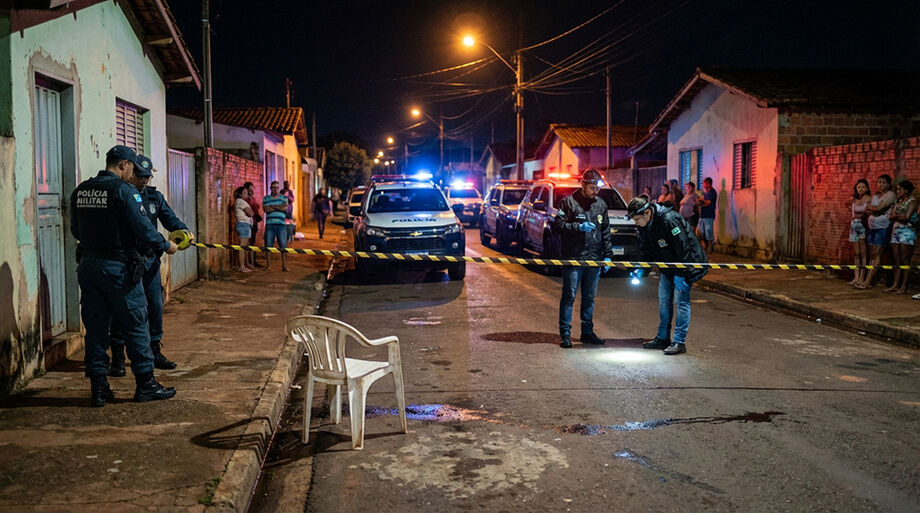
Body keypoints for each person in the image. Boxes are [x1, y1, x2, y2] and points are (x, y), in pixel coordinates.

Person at [70, 145, 178, 406]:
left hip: (88, 264)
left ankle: (99, 388)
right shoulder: (124, 191)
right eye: (132, 168)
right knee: (136, 322)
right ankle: (146, 384)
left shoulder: (81, 190)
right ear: (123, 165)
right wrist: (166, 245)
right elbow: (144, 230)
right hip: (118, 268)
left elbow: (75, 230)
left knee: (95, 328)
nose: (134, 174)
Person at [108, 155, 192, 377]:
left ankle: (155, 351)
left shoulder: (154, 197)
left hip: (149, 262)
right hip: (126, 263)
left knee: (154, 307)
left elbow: (170, 219)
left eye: (147, 176)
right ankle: (117, 356)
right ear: (131, 172)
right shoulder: (122, 195)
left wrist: (184, 233)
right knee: (121, 310)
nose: (144, 180)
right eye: (140, 175)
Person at [626, 195, 708, 356]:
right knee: (664, 301)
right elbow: (647, 251)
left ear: (647, 213)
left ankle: (679, 341)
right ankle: (662, 338)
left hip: (684, 265)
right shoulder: (645, 226)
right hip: (667, 266)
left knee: (681, 302)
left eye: (636, 219)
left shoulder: (669, 219)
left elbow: (683, 247)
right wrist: (641, 270)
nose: (635, 223)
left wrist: (682, 274)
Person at [552, 169, 613, 348]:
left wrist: (607, 256)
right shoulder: (568, 203)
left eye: (597, 188)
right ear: (583, 185)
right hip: (574, 258)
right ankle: (565, 334)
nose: (596, 192)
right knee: (569, 296)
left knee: (589, 297)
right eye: (592, 188)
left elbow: (606, 231)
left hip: (594, 259)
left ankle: (587, 332)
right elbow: (558, 225)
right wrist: (578, 227)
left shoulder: (601, 204)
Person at [856, 174, 897, 289]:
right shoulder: (876, 196)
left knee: (878, 253)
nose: (880, 184)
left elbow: (879, 208)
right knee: (872, 254)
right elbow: (868, 209)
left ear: (888, 184)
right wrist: (874, 210)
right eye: (879, 182)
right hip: (873, 227)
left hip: (883, 227)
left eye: (883, 182)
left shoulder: (890, 195)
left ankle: (868, 281)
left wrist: (875, 210)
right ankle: (870, 279)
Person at [885, 179, 916, 294]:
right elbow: (891, 216)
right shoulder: (898, 201)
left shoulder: (912, 202)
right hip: (896, 231)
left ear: (906, 190)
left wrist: (896, 216)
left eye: (900, 189)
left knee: (905, 259)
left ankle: (904, 286)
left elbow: (906, 217)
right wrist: (898, 216)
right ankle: (895, 284)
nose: (898, 191)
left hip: (907, 231)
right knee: (896, 259)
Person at [848, 179, 871, 286]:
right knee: (856, 252)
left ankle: (862, 277)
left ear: (867, 188)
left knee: (863, 252)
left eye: (863, 187)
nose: (861, 189)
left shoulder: (869, 199)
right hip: (854, 225)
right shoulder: (854, 199)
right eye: (859, 187)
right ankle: (856, 277)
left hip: (862, 225)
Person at [263, 180, 290, 271]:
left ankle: (284, 266)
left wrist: (272, 206)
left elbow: (284, 208)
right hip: (270, 225)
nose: (275, 189)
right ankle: (268, 266)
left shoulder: (283, 198)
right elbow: (266, 209)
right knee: (268, 245)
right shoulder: (266, 198)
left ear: (279, 188)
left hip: (281, 225)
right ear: (270, 188)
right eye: (273, 187)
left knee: (283, 245)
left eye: (277, 187)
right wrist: (278, 207)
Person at [234, 186, 254, 272]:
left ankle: (246, 263)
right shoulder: (240, 201)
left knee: (245, 246)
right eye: (245, 193)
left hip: (246, 225)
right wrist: (251, 211)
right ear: (240, 194)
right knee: (242, 246)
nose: (247, 194)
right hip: (243, 225)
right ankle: (242, 266)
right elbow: (250, 213)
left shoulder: (241, 202)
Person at [243, 182, 262, 268]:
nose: (251, 191)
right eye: (250, 190)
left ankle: (253, 260)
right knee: (247, 242)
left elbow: (257, 207)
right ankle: (247, 261)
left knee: (252, 242)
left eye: (252, 189)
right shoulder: (245, 199)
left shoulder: (252, 198)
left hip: (254, 222)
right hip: (248, 223)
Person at [698, 177, 717, 252]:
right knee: (701, 233)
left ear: (708, 183)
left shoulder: (712, 192)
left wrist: (702, 201)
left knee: (709, 232)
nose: (703, 185)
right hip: (703, 215)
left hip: (709, 215)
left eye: (704, 183)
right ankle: (705, 247)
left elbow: (708, 203)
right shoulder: (706, 193)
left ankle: (709, 248)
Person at [281, 180, 296, 244]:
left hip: (289, 210)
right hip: (282, 210)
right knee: (283, 224)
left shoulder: (290, 192)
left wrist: (288, 196)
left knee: (290, 224)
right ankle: (284, 237)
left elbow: (292, 200)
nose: (287, 186)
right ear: (284, 185)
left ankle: (290, 238)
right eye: (286, 184)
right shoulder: (281, 191)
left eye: (288, 184)